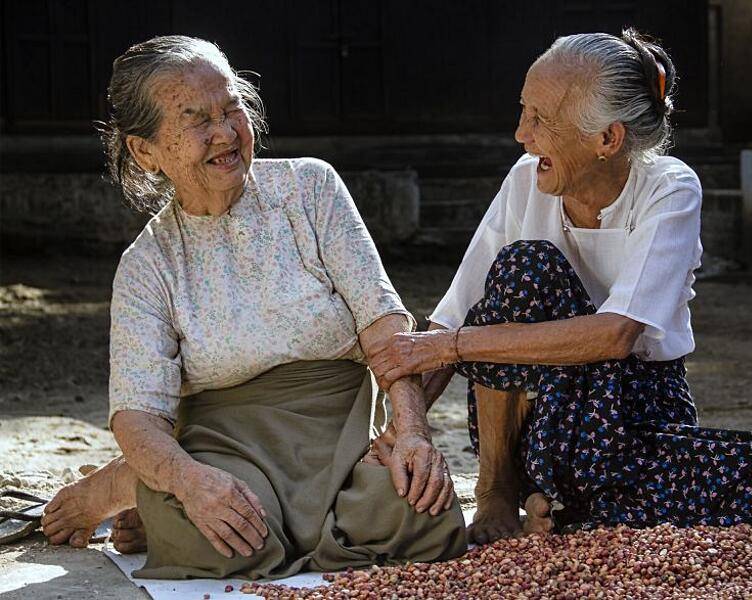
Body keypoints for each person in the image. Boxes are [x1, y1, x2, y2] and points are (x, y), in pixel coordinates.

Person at [369, 30, 752, 544]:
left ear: (606, 139)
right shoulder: (525, 180)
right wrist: (404, 430)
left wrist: (452, 346)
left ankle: (569, 506)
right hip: (540, 419)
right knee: (525, 268)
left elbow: (615, 335)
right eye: (524, 111)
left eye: (541, 119)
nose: (522, 134)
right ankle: (503, 489)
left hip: (633, 412)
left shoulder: (670, 190)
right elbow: (454, 314)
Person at [40, 35, 466, 579]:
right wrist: (189, 483)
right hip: (226, 453)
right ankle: (129, 484)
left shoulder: (311, 189)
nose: (224, 133)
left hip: (340, 439)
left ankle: (141, 488)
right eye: (196, 120)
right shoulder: (149, 264)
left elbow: (384, 324)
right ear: (145, 151)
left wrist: (409, 430)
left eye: (230, 108)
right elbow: (139, 414)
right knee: (226, 537)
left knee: (423, 512)